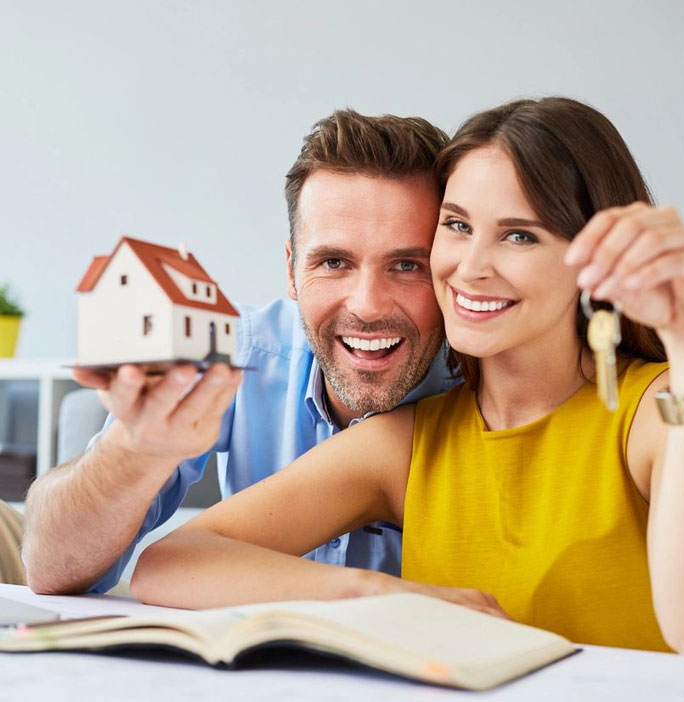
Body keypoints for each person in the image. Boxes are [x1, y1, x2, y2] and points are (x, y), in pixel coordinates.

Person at [131, 97, 684, 659]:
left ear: (590, 260)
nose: (469, 267)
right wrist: (375, 595)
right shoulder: (408, 444)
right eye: (456, 226)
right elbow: (170, 564)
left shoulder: (655, 411)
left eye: (519, 235)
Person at [22, 110, 454, 595]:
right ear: (291, 270)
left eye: (406, 265)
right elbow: (50, 569)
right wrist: (134, 449)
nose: (368, 306)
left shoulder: (487, 388)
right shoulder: (234, 350)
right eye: (333, 262)